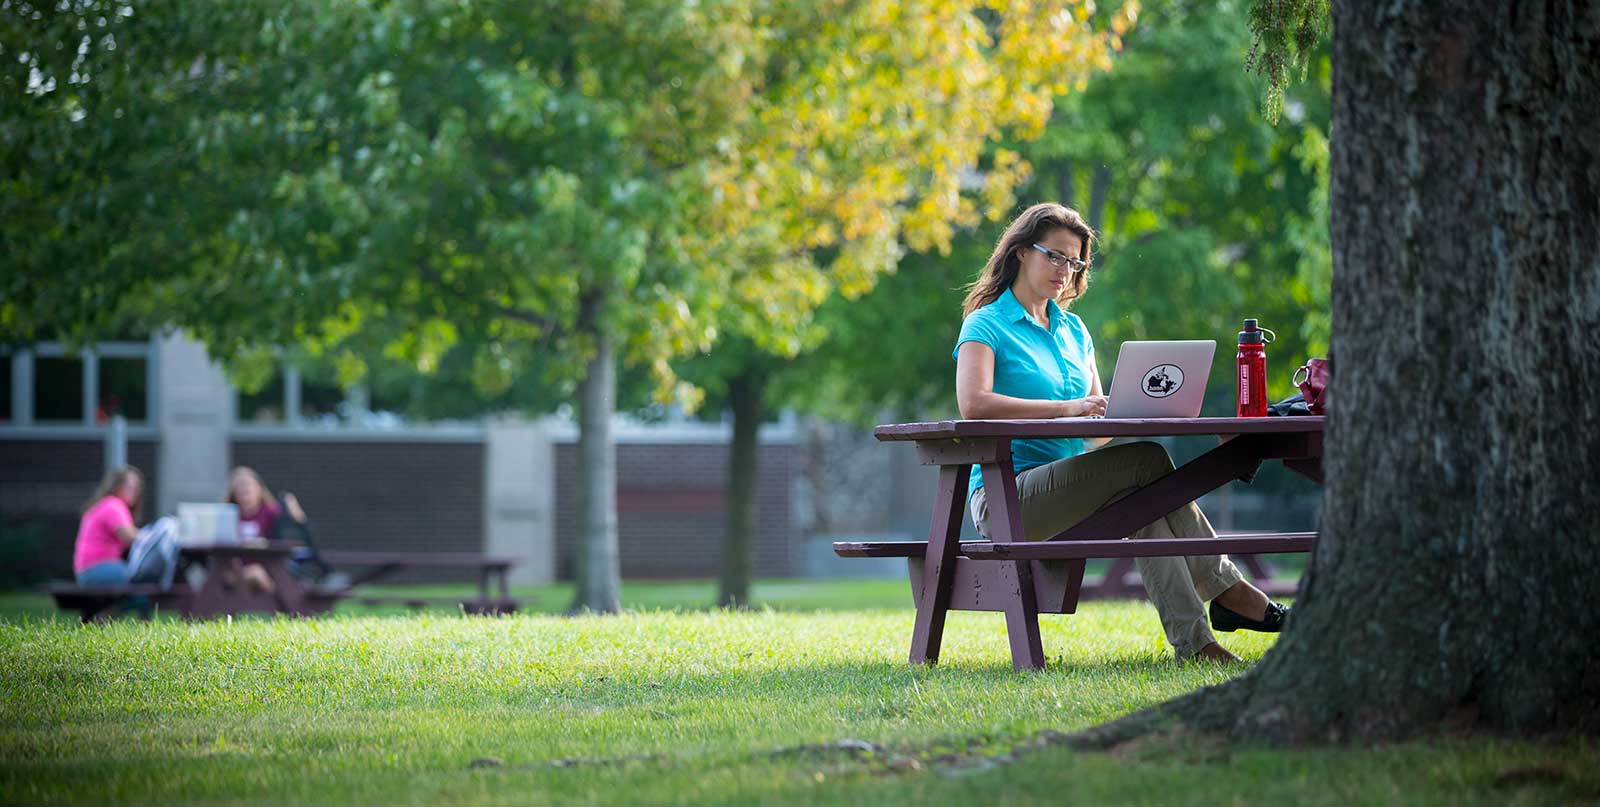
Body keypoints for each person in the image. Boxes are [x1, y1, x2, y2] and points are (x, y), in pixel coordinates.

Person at [953, 202, 1288, 663]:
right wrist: (1066, 409)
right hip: (1008, 497)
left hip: (1075, 487)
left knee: (1150, 504)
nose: (1064, 271)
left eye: (1074, 262)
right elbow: (974, 405)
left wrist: (1130, 409)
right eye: (1054, 256)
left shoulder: (1074, 331)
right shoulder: (986, 324)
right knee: (1147, 462)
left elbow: (1094, 434)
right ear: (1020, 254)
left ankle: (1197, 645)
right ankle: (1230, 592)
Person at [224, 466, 334, 587]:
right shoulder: (226, 515)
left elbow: (300, 540)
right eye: (240, 487)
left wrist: (299, 518)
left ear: (259, 489)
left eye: (248, 486)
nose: (244, 490)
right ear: (233, 492)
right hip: (235, 566)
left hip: (269, 567)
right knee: (226, 577)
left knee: (255, 575)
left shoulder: (274, 513)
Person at [72, 465, 152, 618]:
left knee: (143, 590)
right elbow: (129, 536)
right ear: (117, 486)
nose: (134, 491)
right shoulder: (113, 505)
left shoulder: (107, 504)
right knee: (144, 584)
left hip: (91, 570)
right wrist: (154, 537)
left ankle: (105, 617)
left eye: (137, 487)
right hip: (96, 570)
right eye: (130, 486)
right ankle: (105, 617)